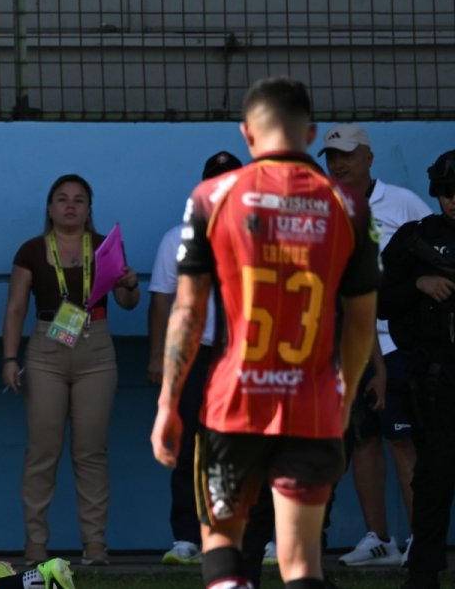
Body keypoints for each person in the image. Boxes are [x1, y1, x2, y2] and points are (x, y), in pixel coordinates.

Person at [151, 77, 381, 589]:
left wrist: (169, 400)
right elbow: (362, 320)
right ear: (312, 132)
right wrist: (340, 400)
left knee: (225, 550)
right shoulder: (348, 206)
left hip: (235, 400)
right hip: (313, 401)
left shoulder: (213, 196)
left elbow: (187, 312)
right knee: (301, 563)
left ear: (247, 135)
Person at [1, 173, 141, 566]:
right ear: (49, 207)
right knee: (42, 451)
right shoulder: (31, 250)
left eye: (79, 200)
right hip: (47, 346)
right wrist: (10, 359)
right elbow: (15, 308)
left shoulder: (103, 246)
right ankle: (35, 547)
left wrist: (129, 283)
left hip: (96, 345)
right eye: (62, 199)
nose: (70, 206)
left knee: (91, 451)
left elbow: (128, 302)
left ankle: (95, 546)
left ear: (89, 209)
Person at [318, 123, 432, 567]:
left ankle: (419, 542)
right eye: (331, 158)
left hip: (398, 342)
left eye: (346, 154)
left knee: (403, 440)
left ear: (369, 156)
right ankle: (378, 538)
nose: (338, 164)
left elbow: (437, 250)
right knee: (362, 439)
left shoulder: (402, 202)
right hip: (347, 344)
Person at [148, 151, 243, 565]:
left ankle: (257, 536)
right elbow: (161, 302)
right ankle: (186, 538)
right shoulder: (178, 238)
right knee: (189, 448)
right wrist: (157, 358)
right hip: (196, 355)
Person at [379, 149, 455, 589]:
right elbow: (382, 298)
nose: (452, 199)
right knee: (433, 476)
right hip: (437, 375)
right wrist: (419, 285)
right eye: (446, 191)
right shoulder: (416, 238)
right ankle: (424, 572)